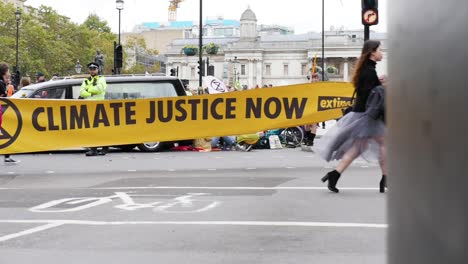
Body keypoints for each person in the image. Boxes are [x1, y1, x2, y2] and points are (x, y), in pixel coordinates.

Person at [313, 40, 387, 193]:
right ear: (372, 52)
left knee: (359, 147)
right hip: (367, 117)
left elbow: (368, 90)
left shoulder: (366, 70)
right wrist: (382, 86)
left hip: (361, 115)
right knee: (384, 144)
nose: (381, 53)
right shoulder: (369, 71)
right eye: (379, 50)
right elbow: (371, 96)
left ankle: (335, 174)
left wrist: (377, 83)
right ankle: (386, 179)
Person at [80, 62, 108, 156]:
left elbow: (99, 89)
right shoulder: (86, 80)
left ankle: (103, 148)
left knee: (101, 129)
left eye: (94, 69)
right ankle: (94, 149)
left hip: (100, 107)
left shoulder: (102, 79)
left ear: (98, 69)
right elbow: (81, 93)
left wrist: (88, 90)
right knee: (92, 129)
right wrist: (91, 93)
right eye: (90, 69)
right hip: (89, 107)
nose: (92, 70)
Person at [0, 62, 19, 163]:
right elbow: (4, 97)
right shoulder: (1, 83)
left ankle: (7, 155)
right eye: (8, 70)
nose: (9, 72)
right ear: (4, 71)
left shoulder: (3, 82)